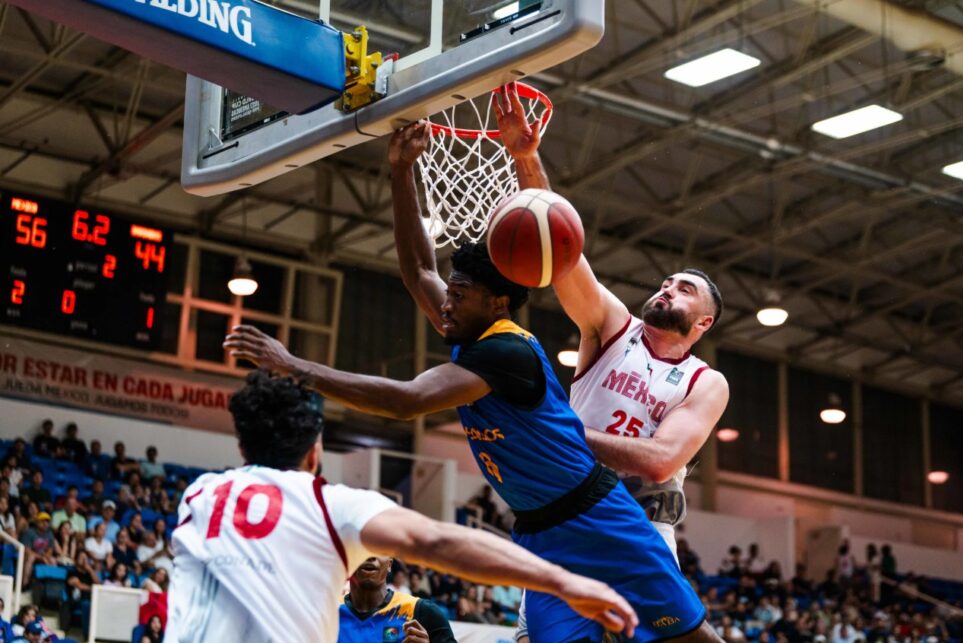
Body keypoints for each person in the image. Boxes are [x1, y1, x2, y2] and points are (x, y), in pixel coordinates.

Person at [222, 136, 709, 643]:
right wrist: (400, 168)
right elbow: (418, 271)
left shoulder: (507, 351)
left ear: (497, 302)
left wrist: (292, 364)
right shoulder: (470, 328)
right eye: (449, 293)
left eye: (459, 295)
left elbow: (406, 401)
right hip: (540, 531)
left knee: (692, 640)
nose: (446, 304)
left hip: (599, 519)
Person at [165, 371, 636, 642]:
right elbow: (435, 539)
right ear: (315, 453)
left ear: (242, 450)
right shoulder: (330, 504)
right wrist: (564, 580)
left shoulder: (198, 496)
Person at [492, 84, 728, 552]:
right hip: (565, 512)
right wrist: (525, 159)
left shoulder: (705, 382)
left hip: (640, 525)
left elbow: (661, 462)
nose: (667, 290)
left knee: (652, 630)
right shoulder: (612, 326)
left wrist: (557, 425)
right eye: (665, 283)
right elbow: (561, 246)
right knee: (535, 631)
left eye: (685, 291)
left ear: (703, 324)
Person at [338, 556, 456, 643]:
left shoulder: (421, 610)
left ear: (389, 564)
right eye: (362, 549)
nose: (370, 556)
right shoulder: (330, 611)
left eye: (379, 550)